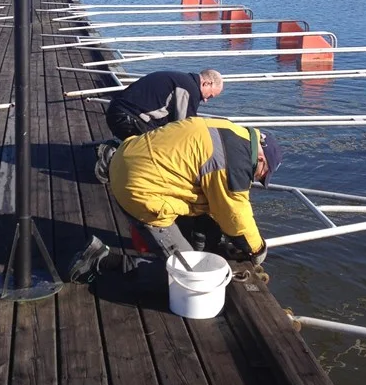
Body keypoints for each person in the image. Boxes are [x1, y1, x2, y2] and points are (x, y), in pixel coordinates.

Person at [71, 117, 282, 284]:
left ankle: (173, 245)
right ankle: (101, 262)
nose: (257, 179)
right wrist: (257, 250)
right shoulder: (236, 163)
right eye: (262, 175)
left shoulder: (231, 130)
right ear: (261, 159)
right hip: (140, 189)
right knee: (187, 274)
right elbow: (236, 216)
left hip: (125, 160)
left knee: (204, 218)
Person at [95, 68, 224, 183]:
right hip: (126, 119)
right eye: (210, 96)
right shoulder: (190, 90)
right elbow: (185, 129)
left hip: (118, 113)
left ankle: (120, 145)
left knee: (165, 133)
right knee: (163, 147)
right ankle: (112, 156)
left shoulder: (180, 78)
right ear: (207, 83)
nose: (206, 100)